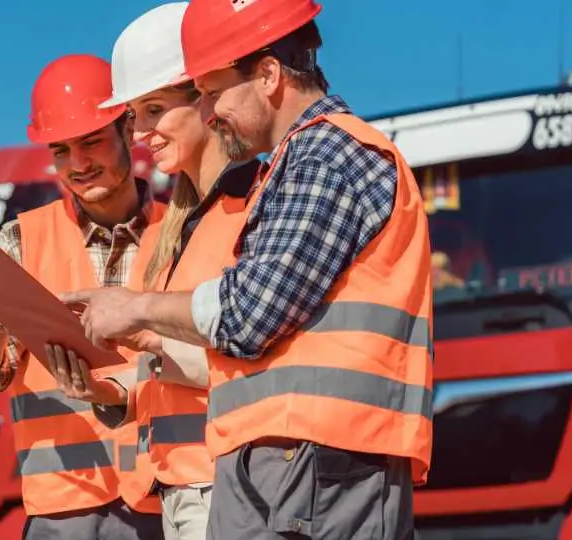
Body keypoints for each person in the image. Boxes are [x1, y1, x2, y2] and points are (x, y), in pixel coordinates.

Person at [60, 1, 435, 539]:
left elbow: (248, 313)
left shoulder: (328, 157)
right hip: (288, 463)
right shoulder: (294, 165)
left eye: (213, 92)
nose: (209, 111)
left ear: (267, 74)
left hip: (320, 462)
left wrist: (136, 310)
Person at [51, 4, 260, 539]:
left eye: (152, 109)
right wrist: (116, 390)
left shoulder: (251, 206)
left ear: (207, 98)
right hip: (184, 489)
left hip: (234, 487)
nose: (139, 131)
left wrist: (146, 330)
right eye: (134, 115)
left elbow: (254, 354)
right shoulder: (183, 224)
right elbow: (191, 357)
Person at [0, 53, 165, 540]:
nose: (79, 164)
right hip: (65, 510)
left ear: (128, 129)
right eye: (61, 150)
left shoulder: (183, 229)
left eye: (91, 142)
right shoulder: (23, 239)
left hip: (169, 497)